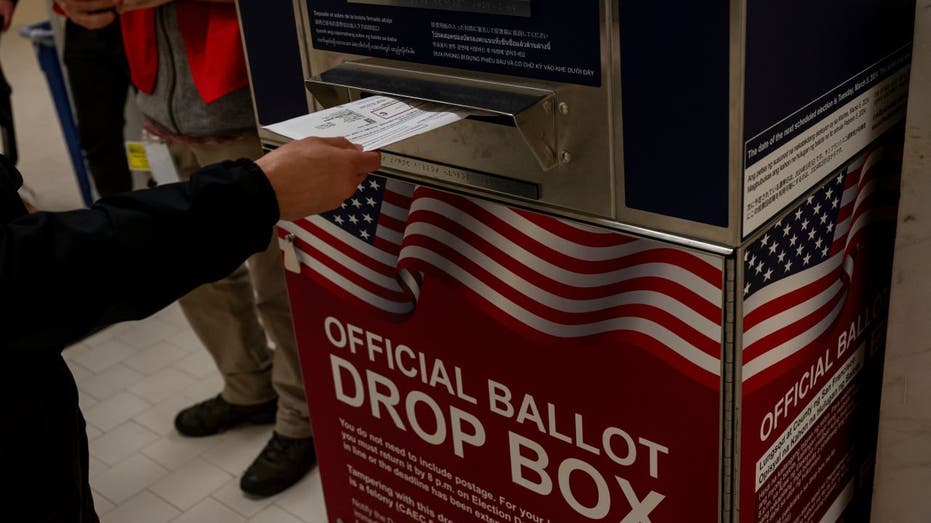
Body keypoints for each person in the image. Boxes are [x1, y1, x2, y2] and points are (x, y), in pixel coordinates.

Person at [0, 136, 380, 523]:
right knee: (208, 285)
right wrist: (253, 194)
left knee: (272, 285)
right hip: (21, 454)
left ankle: (297, 413)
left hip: (220, 117)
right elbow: (31, 274)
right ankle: (248, 389)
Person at [62, 0, 318, 496]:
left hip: (243, 95)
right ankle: (247, 387)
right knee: (192, 268)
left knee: (276, 278)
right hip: (158, 103)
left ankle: (301, 415)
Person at [55, 0, 134, 197]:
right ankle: (120, 218)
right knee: (97, 135)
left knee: (171, 133)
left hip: (150, 17)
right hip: (83, 25)